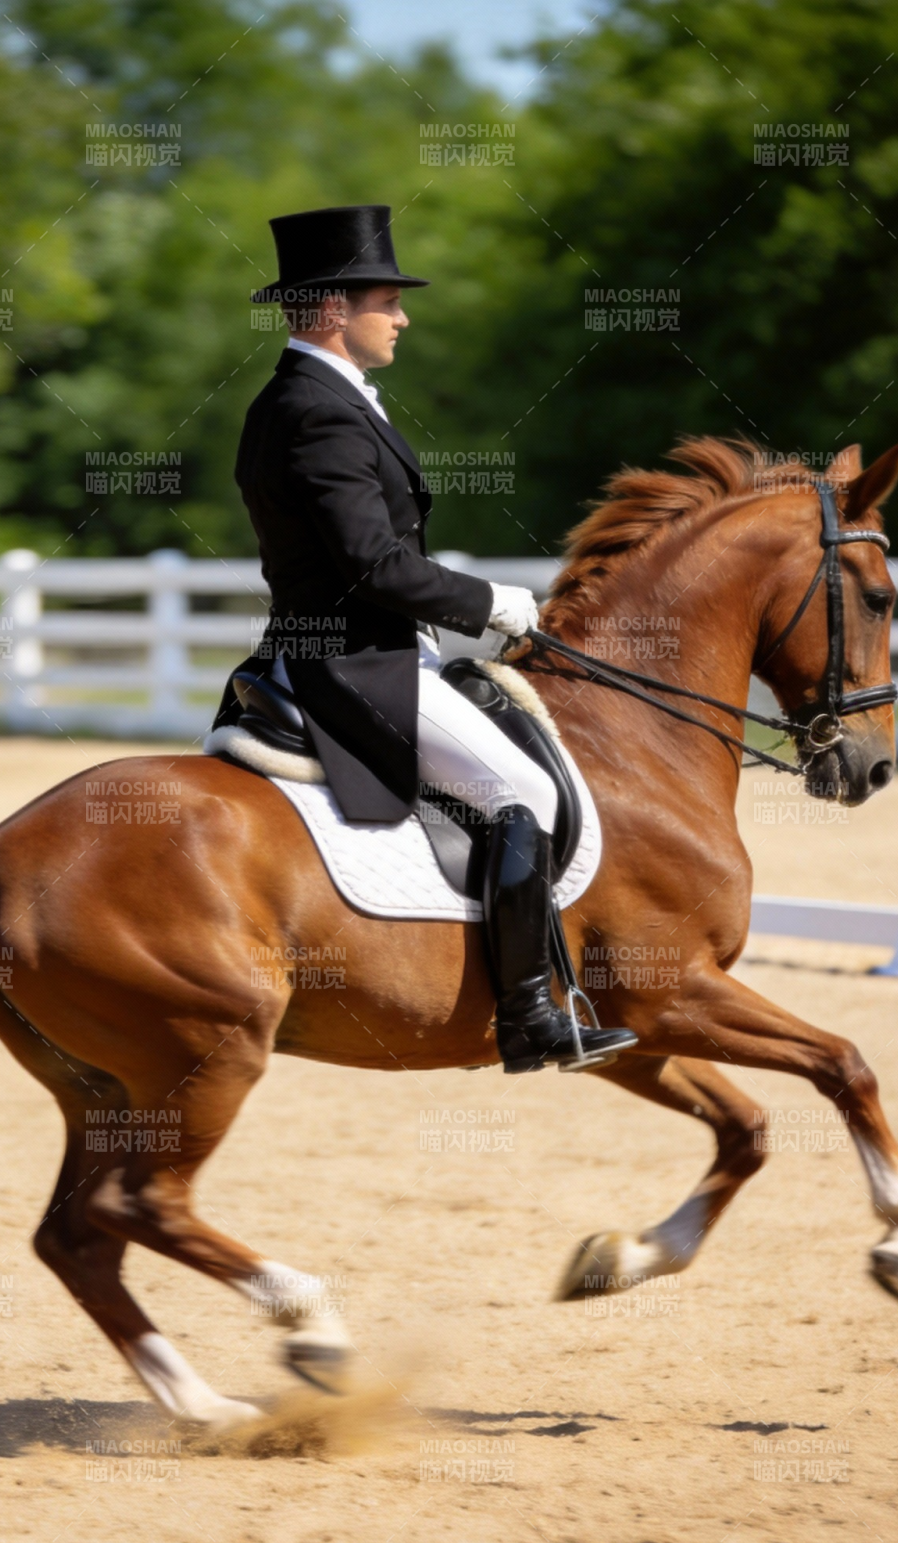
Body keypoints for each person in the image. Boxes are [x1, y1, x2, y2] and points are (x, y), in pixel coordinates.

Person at [214, 204, 637, 1072]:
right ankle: (529, 1019)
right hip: (357, 662)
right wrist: (493, 604)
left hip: (348, 646)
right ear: (333, 309)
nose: (403, 317)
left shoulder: (304, 399)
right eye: (386, 300)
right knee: (524, 794)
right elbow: (375, 564)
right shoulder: (317, 411)